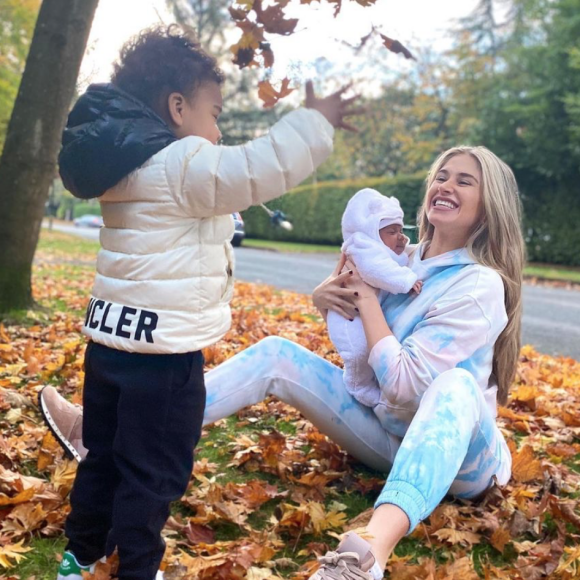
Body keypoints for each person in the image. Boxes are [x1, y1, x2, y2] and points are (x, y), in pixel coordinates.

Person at [42, 145, 525, 579]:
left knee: (455, 386)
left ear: (489, 208)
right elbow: (364, 356)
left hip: (461, 462)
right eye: (442, 175)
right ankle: (101, 436)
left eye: (465, 180)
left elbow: (403, 384)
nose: (446, 185)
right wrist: (328, 299)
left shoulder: (478, 284)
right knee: (276, 352)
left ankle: (367, 554)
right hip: (387, 432)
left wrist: (368, 300)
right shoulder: (400, 255)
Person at [45, 24, 364, 580]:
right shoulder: (182, 162)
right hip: (164, 359)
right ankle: (138, 569)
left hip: (110, 344)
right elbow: (255, 169)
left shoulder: (122, 168)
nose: (217, 130)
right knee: (154, 472)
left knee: (104, 459)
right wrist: (315, 122)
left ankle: (81, 557)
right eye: (214, 113)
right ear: (176, 108)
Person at [327, 188, 422, 407]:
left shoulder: (376, 246)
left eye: (401, 229)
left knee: (368, 352)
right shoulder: (363, 247)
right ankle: (357, 386)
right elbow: (375, 270)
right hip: (348, 317)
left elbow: (392, 259)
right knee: (359, 353)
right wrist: (406, 280)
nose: (401, 236)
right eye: (392, 231)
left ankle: (364, 384)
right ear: (372, 231)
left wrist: (399, 244)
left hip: (359, 312)